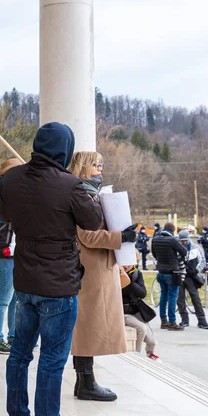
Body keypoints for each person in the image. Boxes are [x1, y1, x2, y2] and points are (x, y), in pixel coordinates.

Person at [0, 122, 102, 416]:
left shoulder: (11, 178)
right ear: (65, 150)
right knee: (52, 361)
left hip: (25, 282)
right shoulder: (71, 185)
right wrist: (88, 191)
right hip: (58, 287)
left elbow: (1, 213)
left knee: (19, 354)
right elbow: (93, 222)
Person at [68, 151, 137, 402]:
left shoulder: (91, 194)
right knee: (88, 326)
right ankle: (86, 383)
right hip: (91, 269)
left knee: (89, 325)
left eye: (102, 165)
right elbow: (87, 236)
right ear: (84, 167)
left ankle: (84, 381)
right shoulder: (81, 195)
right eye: (96, 165)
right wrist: (121, 238)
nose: (100, 169)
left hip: (99, 267)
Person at [0, 158, 22, 354]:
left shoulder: (0, 188)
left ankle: (13, 337)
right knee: (3, 298)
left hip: (12, 252)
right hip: (4, 252)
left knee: (15, 298)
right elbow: (0, 217)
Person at [151, 222, 187, 331]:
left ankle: (163, 321)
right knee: (172, 296)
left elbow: (154, 254)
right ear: (172, 231)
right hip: (172, 273)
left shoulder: (155, 239)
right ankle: (172, 322)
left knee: (163, 296)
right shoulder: (172, 240)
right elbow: (184, 252)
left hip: (161, 272)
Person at [122, 264, 160, 360]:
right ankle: (136, 356)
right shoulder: (116, 274)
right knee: (141, 328)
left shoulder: (136, 274)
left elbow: (142, 294)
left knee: (152, 342)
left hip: (136, 311)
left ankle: (150, 354)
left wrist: (131, 282)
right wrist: (123, 279)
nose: (126, 266)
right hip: (122, 312)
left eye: (128, 263)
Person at [177, 230, 208, 330]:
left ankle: (202, 320)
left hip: (191, 277)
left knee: (196, 298)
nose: (184, 243)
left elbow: (203, 261)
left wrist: (196, 270)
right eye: (182, 241)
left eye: (185, 241)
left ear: (189, 239)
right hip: (180, 276)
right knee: (180, 299)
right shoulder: (177, 248)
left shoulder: (196, 248)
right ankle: (184, 320)